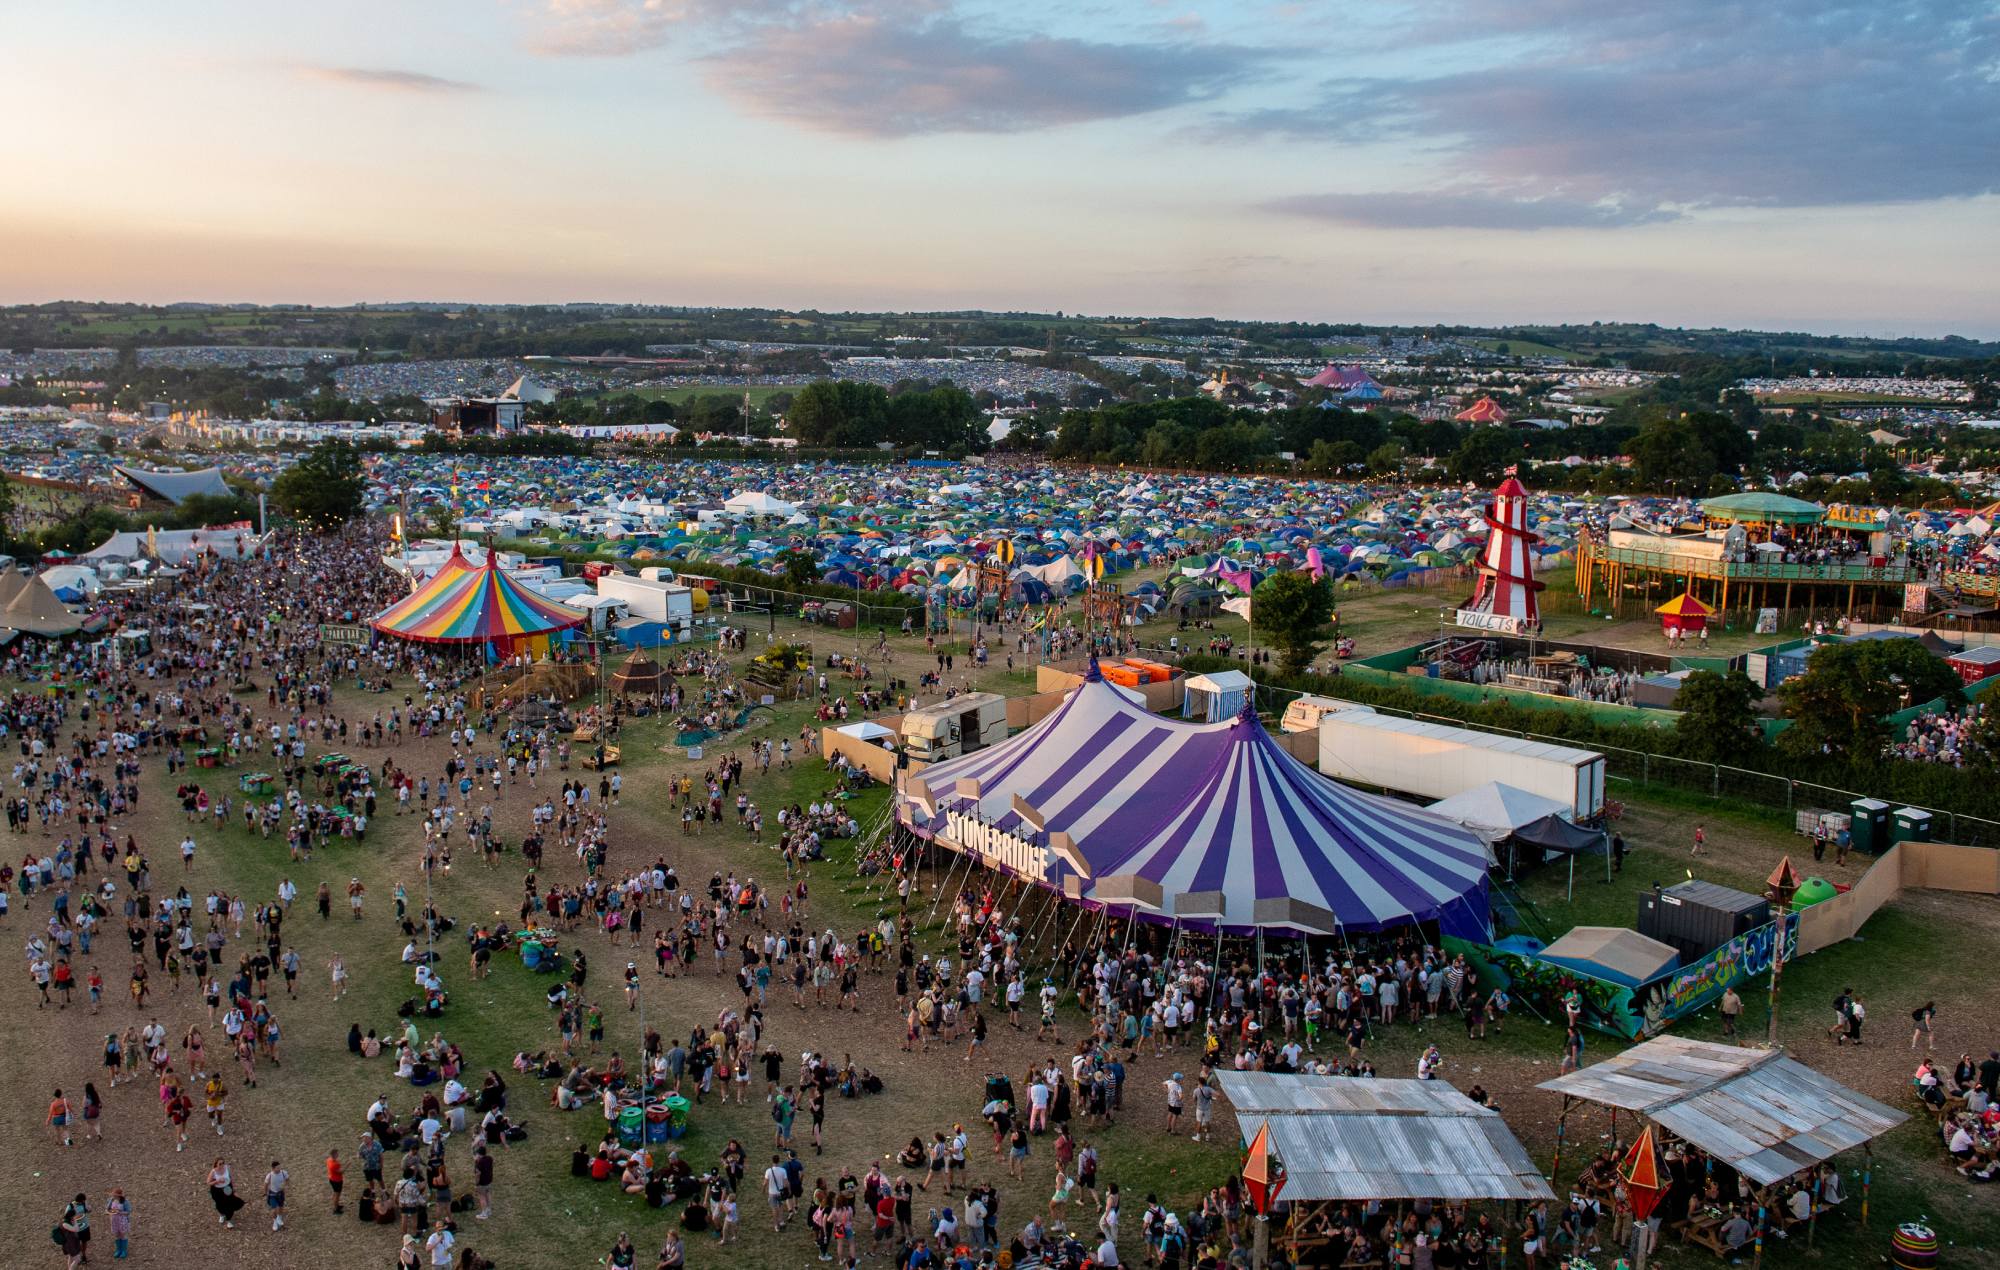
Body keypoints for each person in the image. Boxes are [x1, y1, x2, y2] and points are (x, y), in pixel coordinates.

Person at [208, 1159, 245, 1228]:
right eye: (220, 1164)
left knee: (230, 1204)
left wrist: (233, 1188)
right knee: (219, 1205)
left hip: (227, 1188)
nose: (222, 1165)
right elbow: (208, 1182)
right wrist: (217, 1181)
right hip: (217, 1191)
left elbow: (231, 1178)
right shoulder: (213, 1171)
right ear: (216, 1164)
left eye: (223, 1163)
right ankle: (222, 1215)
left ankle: (229, 1221)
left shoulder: (227, 1168)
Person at [105, 1188, 133, 1260]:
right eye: (113, 1195)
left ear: (119, 1196)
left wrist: (120, 1212)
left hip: (122, 1220)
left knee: (123, 1235)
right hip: (114, 1220)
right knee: (116, 1235)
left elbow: (128, 1212)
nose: (113, 1196)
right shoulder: (111, 1200)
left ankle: (124, 1250)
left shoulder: (125, 1201)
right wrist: (109, 1212)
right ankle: (118, 1250)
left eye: (115, 1195)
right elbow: (107, 1209)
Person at [265, 1159, 290, 1230]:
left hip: (281, 1193)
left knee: (281, 1207)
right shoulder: (269, 1175)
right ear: (273, 1168)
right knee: (274, 1209)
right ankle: (275, 1222)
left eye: (280, 1167)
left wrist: (286, 1185)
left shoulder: (283, 1173)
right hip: (272, 1194)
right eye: (277, 1168)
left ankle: (279, 1218)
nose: (279, 1169)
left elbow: (287, 1179)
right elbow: (265, 1184)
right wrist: (265, 1192)